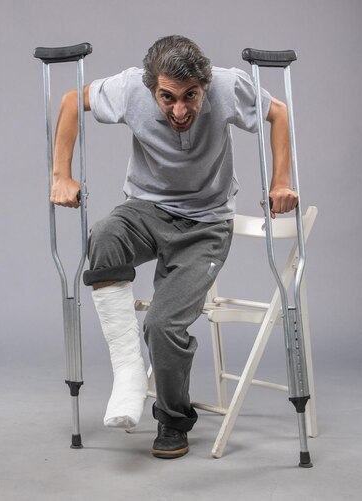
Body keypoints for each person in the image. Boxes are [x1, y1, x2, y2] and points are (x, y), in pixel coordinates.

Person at [50, 35, 298, 459]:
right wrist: (60, 174)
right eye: (167, 97)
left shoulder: (227, 85)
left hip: (205, 225)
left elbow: (279, 112)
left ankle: (172, 419)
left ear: (205, 85)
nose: (180, 110)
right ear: (152, 88)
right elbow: (73, 100)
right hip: (146, 210)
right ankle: (129, 373)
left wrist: (280, 181)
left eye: (191, 97)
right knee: (104, 235)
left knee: (162, 326)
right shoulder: (131, 87)